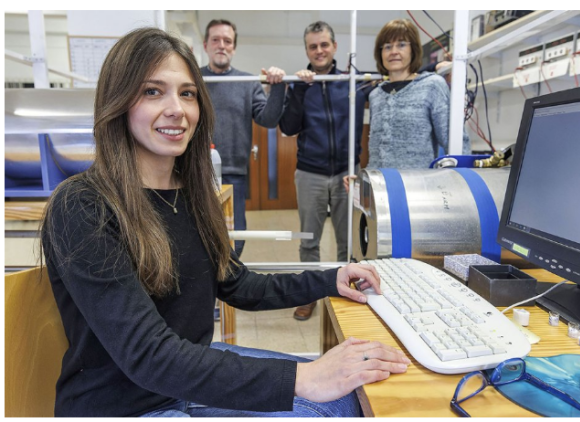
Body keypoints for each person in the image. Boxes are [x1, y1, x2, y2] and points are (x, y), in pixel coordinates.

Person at [40, 27, 410, 418]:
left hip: (187, 376)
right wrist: (303, 377)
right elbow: (149, 355)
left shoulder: (192, 194)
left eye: (187, 93)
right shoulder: (83, 205)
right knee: (323, 407)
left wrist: (329, 279)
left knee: (349, 397)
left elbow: (239, 285)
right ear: (117, 101)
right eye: (152, 91)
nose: (177, 109)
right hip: (125, 405)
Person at [279, 21, 371, 321]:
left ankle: (347, 291)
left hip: (348, 173)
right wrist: (299, 90)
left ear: (334, 47)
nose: (319, 50)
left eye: (324, 44)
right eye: (313, 46)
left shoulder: (351, 82)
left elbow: (393, 78)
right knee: (309, 240)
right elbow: (288, 127)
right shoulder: (299, 84)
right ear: (307, 50)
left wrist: (438, 68)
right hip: (311, 174)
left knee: (349, 240)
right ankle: (308, 295)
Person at [202, 19, 286, 258]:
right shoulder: (193, 79)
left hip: (234, 174)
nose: (221, 45)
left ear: (234, 47)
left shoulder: (248, 83)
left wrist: (277, 87)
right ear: (206, 45)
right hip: (194, 172)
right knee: (197, 236)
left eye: (227, 41)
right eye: (216, 40)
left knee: (235, 238)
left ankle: (229, 280)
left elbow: (268, 120)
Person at [367, 19, 471, 170]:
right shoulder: (375, 95)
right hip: (379, 183)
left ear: (413, 50)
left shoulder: (432, 86)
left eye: (401, 45)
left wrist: (462, 178)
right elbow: (375, 151)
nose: (393, 51)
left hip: (418, 183)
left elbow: (455, 143)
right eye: (387, 46)